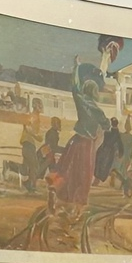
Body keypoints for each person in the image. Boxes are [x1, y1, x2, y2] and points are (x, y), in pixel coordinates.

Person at [46, 56, 110, 210]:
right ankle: (77, 203)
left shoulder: (80, 99)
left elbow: (75, 85)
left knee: (66, 167)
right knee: (84, 174)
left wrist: (76, 67)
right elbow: (106, 125)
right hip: (87, 143)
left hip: (75, 141)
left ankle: (56, 188)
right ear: (94, 92)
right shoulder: (97, 110)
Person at [19, 98, 44, 193]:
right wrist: (38, 137)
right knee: (34, 165)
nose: (41, 107)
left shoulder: (35, 117)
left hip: (29, 144)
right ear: (35, 105)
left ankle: (28, 185)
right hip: (28, 144)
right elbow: (29, 130)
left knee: (27, 167)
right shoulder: (33, 117)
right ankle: (31, 186)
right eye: (39, 105)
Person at [92, 117, 124, 186]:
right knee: (100, 164)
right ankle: (96, 181)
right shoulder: (110, 131)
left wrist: (120, 152)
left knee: (102, 165)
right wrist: (121, 152)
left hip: (106, 150)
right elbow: (119, 143)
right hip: (106, 150)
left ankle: (96, 181)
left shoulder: (112, 132)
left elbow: (119, 143)